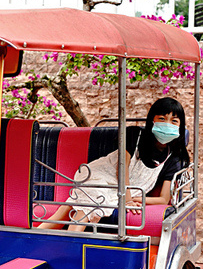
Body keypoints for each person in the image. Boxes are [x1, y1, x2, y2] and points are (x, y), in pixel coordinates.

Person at [37, 96, 191, 232]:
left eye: (174, 121)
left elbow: (164, 199)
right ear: (152, 120)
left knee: (69, 206)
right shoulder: (135, 135)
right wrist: (128, 199)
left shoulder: (174, 158)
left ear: (180, 125)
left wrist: (134, 199)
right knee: (89, 202)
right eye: (162, 119)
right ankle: (71, 246)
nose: (167, 124)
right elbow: (121, 169)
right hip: (101, 176)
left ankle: (35, 238)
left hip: (124, 192)